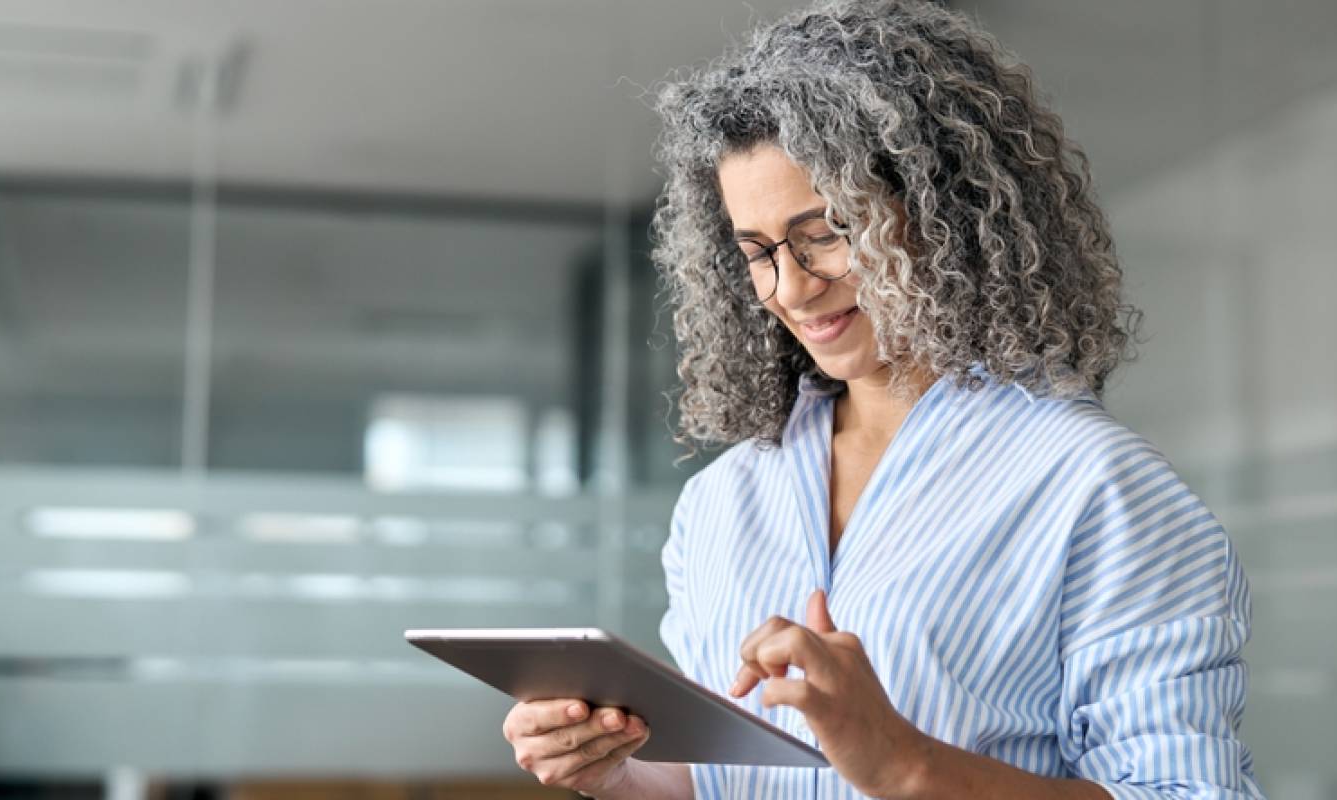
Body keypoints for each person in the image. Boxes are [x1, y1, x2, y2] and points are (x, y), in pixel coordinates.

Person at [501, 1, 1261, 797]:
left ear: (944, 211)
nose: (792, 288)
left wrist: (904, 762)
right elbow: (724, 783)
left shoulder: (1096, 486)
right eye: (757, 252)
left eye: (827, 232)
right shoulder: (723, 500)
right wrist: (613, 767)